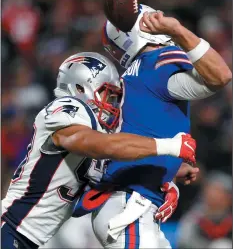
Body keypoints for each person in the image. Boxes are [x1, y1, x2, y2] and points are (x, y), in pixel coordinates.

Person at [1, 52, 196, 249]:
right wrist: (169, 146)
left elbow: (113, 166)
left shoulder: (92, 133)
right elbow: (103, 145)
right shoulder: (67, 107)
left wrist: (168, 176)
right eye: (107, 94)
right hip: (10, 228)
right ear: (79, 87)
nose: (112, 104)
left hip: (26, 237)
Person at [84, 4, 232, 249]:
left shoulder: (134, 75)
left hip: (126, 203)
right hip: (130, 205)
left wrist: (169, 169)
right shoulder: (157, 61)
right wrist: (177, 29)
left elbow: (133, 136)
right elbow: (221, 75)